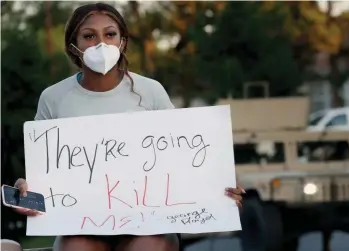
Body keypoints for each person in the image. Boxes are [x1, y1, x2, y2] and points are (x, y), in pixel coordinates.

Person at [12, 2, 244, 251]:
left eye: (110, 34)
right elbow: (42, 176)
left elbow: (184, 158)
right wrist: (24, 192)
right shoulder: (53, 97)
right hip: (80, 226)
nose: (101, 43)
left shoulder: (151, 91)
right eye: (89, 36)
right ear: (73, 46)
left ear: (122, 41)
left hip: (148, 225)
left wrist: (220, 189)